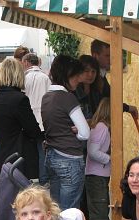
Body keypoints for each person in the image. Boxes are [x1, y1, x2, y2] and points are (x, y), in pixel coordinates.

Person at [41, 55, 90, 210]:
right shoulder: (67, 98)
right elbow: (85, 133)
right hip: (70, 159)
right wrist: (77, 132)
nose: (79, 80)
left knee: (55, 210)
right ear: (68, 75)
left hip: (52, 156)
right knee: (70, 212)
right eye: (76, 76)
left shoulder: (46, 97)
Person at [0, 57, 41, 179]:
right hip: (19, 159)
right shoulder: (19, 99)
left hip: (1, 157)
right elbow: (33, 130)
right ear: (19, 74)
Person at [21, 52, 50, 185]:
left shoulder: (24, 78)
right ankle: (44, 179)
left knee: (29, 151)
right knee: (42, 150)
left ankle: (30, 178)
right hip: (43, 120)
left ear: (26, 62)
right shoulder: (45, 77)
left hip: (28, 121)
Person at [90, 40, 138, 118]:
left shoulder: (101, 75)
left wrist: (128, 108)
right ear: (95, 56)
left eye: (111, 55)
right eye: (107, 55)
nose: (110, 59)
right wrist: (128, 108)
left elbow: (111, 100)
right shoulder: (91, 79)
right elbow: (107, 102)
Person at [85, 97, 111, 220]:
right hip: (96, 176)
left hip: (98, 175)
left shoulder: (99, 126)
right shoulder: (102, 127)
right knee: (99, 215)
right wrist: (110, 159)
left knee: (100, 213)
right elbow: (93, 151)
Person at [74, 55, 106, 119]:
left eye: (93, 71)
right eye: (86, 71)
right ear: (79, 72)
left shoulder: (97, 91)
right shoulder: (73, 92)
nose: (90, 75)